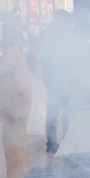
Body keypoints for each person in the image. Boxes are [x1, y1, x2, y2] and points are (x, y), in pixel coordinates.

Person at [0, 17, 32, 178]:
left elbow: (0, 71)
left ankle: (19, 176)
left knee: (15, 139)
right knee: (14, 138)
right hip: (16, 97)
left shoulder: (13, 50)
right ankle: (17, 174)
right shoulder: (19, 47)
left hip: (15, 100)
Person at [37, 9, 73, 153]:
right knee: (54, 112)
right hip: (54, 80)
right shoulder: (47, 35)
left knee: (65, 113)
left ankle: (65, 140)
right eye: (64, 20)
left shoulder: (66, 34)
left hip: (64, 79)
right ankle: (52, 143)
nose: (66, 23)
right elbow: (45, 56)